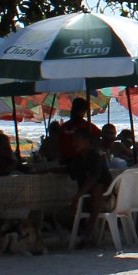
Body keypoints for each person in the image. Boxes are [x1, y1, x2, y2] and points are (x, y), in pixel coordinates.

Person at [58, 97, 108, 243]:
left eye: (77, 140)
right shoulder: (78, 157)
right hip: (85, 196)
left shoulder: (94, 155)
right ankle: (83, 230)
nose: (74, 142)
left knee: (97, 189)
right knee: (60, 212)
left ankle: (89, 229)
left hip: (104, 196)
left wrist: (77, 197)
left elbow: (93, 178)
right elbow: (71, 172)